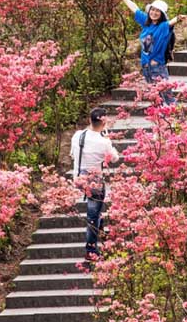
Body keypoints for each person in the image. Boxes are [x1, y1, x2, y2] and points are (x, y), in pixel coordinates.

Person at [114, 0, 187, 105]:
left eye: (158, 11)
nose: (154, 12)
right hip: (146, 68)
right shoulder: (146, 23)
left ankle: (180, 121)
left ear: (162, 14)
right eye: (153, 10)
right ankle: (162, 122)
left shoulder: (163, 27)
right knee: (156, 99)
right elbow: (134, 8)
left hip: (157, 67)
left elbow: (171, 22)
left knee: (168, 97)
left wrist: (179, 18)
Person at [70, 107, 119, 260]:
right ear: (104, 123)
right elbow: (114, 158)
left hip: (78, 178)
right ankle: (90, 249)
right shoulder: (103, 142)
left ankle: (100, 228)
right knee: (93, 215)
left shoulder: (78, 135)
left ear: (89, 120)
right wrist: (107, 138)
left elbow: (72, 154)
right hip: (94, 181)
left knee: (95, 211)